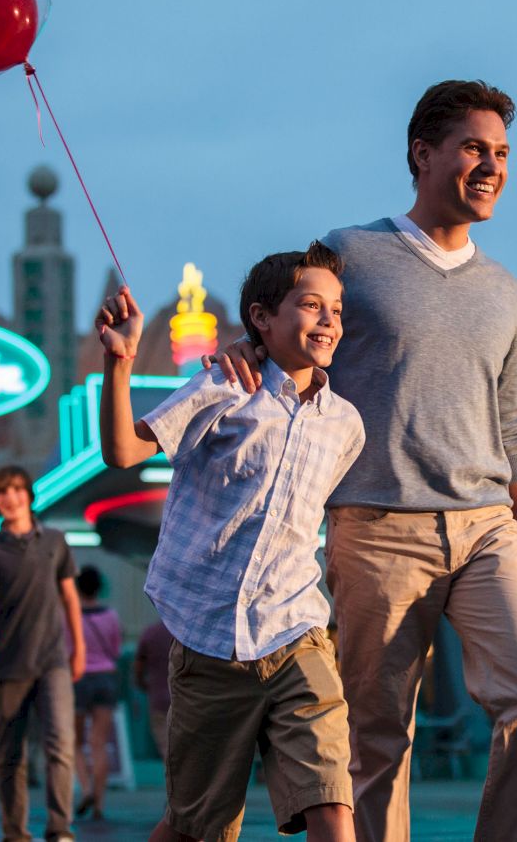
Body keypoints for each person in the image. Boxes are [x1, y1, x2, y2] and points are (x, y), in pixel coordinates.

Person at [217, 79, 517, 842]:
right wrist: (247, 344)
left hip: (486, 528)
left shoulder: (504, 287)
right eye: (474, 147)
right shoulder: (352, 252)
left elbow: (511, 420)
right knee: (375, 737)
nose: (492, 165)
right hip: (375, 525)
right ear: (423, 153)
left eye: (502, 153)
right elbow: (290, 313)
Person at [97, 241, 364, 842]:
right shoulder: (224, 387)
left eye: (337, 310)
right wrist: (121, 361)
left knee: (332, 804)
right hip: (208, 640)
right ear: (262, 318)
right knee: (196, 827)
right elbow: (123, 451)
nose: (328, 320)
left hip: (298, 634)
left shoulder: (346, 425)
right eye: (311, 305)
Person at [0, 466, 85, 842]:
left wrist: (78, 648)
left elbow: (69, 596)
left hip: (53, 662)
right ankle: (15, 831)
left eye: (16, 490)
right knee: (11, 754)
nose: (9, 498)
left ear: (29, 495)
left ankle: (59, 827)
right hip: (7, 664)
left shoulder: (55, 540)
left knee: (60, 745)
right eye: (2, 493)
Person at [71, 565, 121, 821]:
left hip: (78, 679)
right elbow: (115, 649)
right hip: (105, 679)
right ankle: (99, 804)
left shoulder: (71, 616)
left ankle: (86, 789)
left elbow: (67, 649)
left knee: (76, 743)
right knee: (99, 744)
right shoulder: (111, 615)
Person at [133, 620, 173, 761]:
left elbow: (138, 666)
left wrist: (142, 684)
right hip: (186, 699)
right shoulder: (187, 633)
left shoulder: (151, 632)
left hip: (158, 700)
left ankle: (174, 782)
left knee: (166, 749)